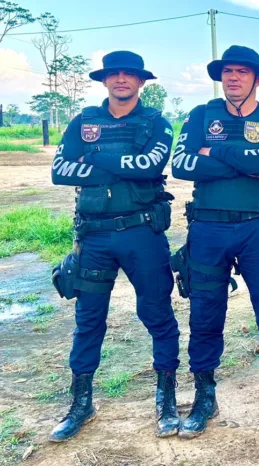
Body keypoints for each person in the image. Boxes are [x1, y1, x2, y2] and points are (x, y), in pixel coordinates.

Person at [49, 51, 179, 441]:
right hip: (95, 236)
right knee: (88, 319)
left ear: (141, 82)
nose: (121, 80)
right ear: (105, 81)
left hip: (142, 234)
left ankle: (167, 398)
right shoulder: (84, 121)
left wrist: (97, 157)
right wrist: (122, 160)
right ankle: (81, 403)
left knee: (157, 313)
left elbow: (151, 167)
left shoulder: (156, 123)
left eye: (130, 75)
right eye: (114, 74)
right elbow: (59, 170)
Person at [170, 45, 259, 438]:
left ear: (258, 78)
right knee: (205, 314)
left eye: (242, 72)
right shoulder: (202, 115)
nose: (233, 78)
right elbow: (182, 164)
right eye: (227, 72)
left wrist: (216, 152)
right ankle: (205, 397)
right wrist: (245, 160)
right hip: (208, 229)